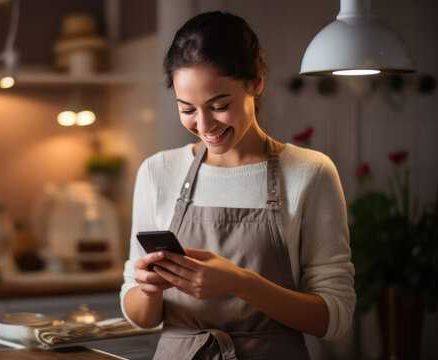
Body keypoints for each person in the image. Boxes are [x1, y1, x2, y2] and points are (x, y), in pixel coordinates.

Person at [120, 11, 355, 359]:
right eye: (187, 109)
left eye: (219, 105)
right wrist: (149, 289)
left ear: (255, 82)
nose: (204, 125)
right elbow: (141, 316)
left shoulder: (310, 172)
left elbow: (335, 318)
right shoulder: (158, 171)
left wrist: (239, 283)